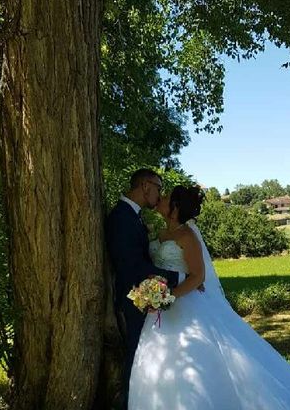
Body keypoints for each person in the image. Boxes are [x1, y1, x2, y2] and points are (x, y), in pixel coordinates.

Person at [128, 185, 290, 410]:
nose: (161, 198)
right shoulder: (159, 232)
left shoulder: (187, 235)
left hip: (183, 303)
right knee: (161, 361)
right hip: (160, 308)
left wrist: (168, 296)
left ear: (174, 208)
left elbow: (198, 276)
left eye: (166, 197)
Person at [106, 169, 182, 409]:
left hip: (143, 296)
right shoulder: (121, 217)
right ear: (145, 185)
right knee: (137, 357)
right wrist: (179, 276)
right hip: (133, 299)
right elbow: (132, 267)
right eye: (158, 188)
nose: (159, 195)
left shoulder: (133, 215)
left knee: (148, 357)